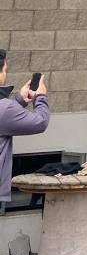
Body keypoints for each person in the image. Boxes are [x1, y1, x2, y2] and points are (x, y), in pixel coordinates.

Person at [0, 51, 50, 203]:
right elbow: (41, 122)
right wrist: (41, 97)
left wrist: (18, 101)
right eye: (5, 70)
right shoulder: (4, 109)